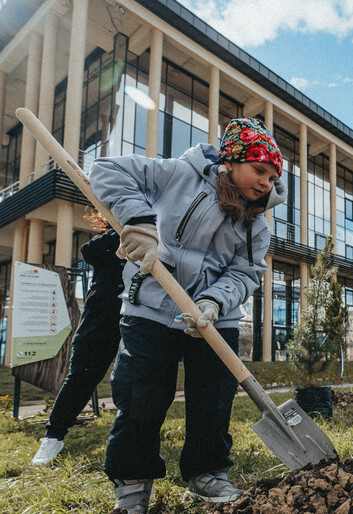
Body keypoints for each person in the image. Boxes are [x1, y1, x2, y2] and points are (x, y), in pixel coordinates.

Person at [89, 118, 285, 513]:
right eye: (259, 170)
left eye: (272, 175)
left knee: (213, 401)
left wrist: (213, 303)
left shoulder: (257, 223)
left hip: (215, 317)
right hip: (152, 305)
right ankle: (133, 481)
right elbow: (105, 170)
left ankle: (207, 473)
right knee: (142, 396)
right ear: (231, 161)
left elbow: (245, 273)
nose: (266, 182)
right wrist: (140, 222)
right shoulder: (178, 173)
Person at [30, 210, 125, 466]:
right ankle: (53, 437)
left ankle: (135, 440)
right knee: (81, 376)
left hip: (139, 317)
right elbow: (89, 252)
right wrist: (129, 230)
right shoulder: (108, 241)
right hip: (102, 319)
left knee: (138, 381)